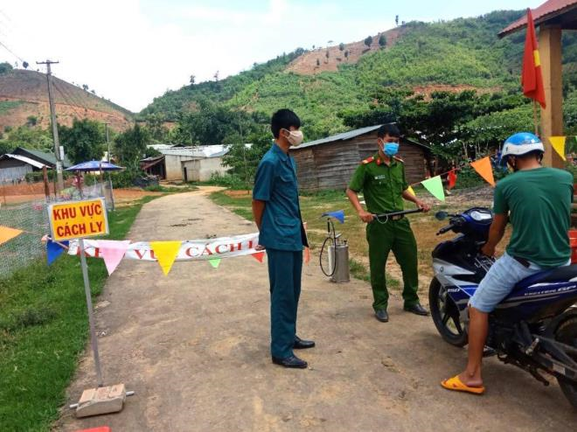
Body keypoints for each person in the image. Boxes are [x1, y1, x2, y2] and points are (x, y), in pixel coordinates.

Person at [442, 132, 573, 395]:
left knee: (478, 306)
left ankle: (472, 376)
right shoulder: (565, 177)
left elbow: (497, 227)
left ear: (512, 159)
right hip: (562, 259)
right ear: (539, 153)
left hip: (524, 262)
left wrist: (489, 248)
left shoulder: (507, 185)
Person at [346, 124, 431, 323]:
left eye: (397, 141)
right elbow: (351, 190)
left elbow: (403, 188)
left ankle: (411, 300)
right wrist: (361, 211)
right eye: (390, 141)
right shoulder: (367, 166)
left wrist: (417, 201)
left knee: (410, 262)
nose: (394, 145)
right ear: (380, 142)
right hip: (379, 225)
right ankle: (380, 305)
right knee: (378, 266)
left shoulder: (399, 164)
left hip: (401, 223)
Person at [252, 109, 314, 369]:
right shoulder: (270, 162)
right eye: (295, 129)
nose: (299, 134)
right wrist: (266, 231)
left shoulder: (288, 159)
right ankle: (280, 350)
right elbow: (258, 201)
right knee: (282, 294)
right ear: (283, 132)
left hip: (292, 234)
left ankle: (289, 336)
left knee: (293, 291)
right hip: (279, 237)